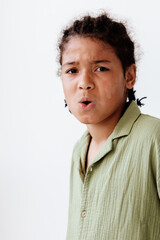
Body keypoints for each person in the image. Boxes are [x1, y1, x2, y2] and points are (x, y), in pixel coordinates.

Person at [58, 12, 160, 240]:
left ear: (130, 76)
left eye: (100, 68)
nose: (84, 83)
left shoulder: (154, 137)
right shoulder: (79, 151)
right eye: (72, 70)